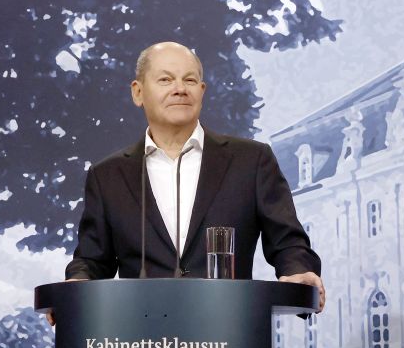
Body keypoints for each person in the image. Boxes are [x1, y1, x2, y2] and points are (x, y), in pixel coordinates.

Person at [66, 41, 325, 309]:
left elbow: (288, 242)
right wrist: (76, 283)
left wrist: (298, 270)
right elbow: (93, 259)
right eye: (166, 79)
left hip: (227, 329)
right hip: (140, 335)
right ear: (138, 92)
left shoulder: (252, 161)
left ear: (202, 91)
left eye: (189, 80)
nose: (179, 89)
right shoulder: (107, 175)